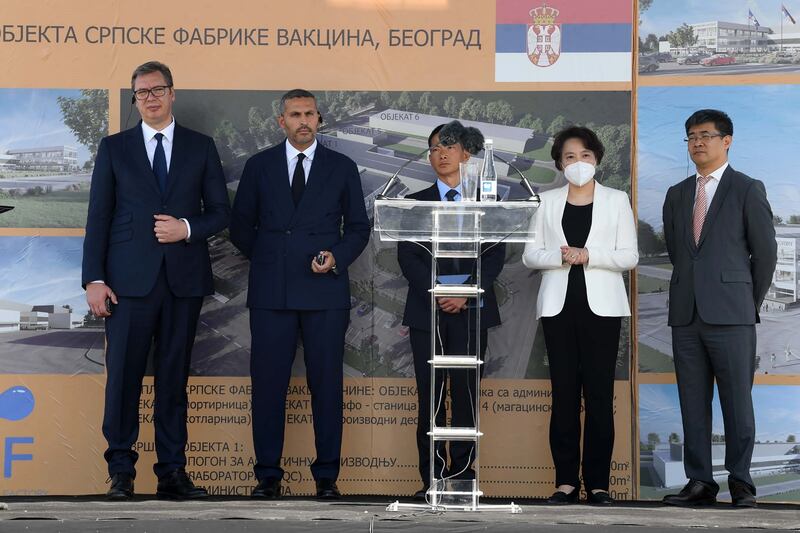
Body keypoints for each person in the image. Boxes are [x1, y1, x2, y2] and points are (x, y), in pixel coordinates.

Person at [82, 61, 230, 500]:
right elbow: (99, 217)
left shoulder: (200, 147)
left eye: (157, 89)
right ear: (135, 99)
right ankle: (121, 472)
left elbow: (221, 212)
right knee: (123, 378)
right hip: (127, 284)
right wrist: (94, 278)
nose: (149, 97)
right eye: (140, 92)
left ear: (172, 93)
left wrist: (185, 228)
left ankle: (172, 472)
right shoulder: (114, 148)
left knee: (172, 380)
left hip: (183, 282)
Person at [230, 89, 370, 500]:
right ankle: (267, 476)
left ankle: (327, 476)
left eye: (310, 114)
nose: (303, 120)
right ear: (282, 121)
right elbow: (241, 228)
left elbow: (359, 229)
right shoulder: (258, 167)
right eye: (295, 114)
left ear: (320, 119)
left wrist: (337, 257)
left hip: (325, 292)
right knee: (268, 387)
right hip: (271, 293)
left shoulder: (342, 167)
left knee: (326, 387)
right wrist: (276, 259)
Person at [661, 109, 776, 508]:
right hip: (686, 316)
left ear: (727, 141)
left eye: (706, 135)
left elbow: (765, 254)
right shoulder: (677, 194)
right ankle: (700, 483)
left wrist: (744, 301)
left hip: (732, 316)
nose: (698, 142)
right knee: (692, 404)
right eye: (691, 135)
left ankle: (741, 483)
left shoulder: (747, 188)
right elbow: (679, 253)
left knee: (737, 404)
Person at [522, 126, 637, 505]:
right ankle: (566, 482)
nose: (578, 163)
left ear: (597, 159)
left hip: (602, 310)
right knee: (565, 396)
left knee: (600, 397)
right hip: (558, 308)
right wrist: (560, 255)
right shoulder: (547, 200)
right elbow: (530, 254)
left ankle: (599, 484)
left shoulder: (617, 200)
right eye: (570, 157)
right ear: (559, 163)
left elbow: (629, 257)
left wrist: (589, 256)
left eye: (585, 156)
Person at [397, 121, 506, 501]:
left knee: (465, 397)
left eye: (448, 145)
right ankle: (431, 482)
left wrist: (464, 292)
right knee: (429, 399)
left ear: (466, 153)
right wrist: (441, 291)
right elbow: (408, 258)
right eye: (433, 148)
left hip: (472, 311)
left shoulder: (486, 200)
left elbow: (494, 257)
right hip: (428, 312)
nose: (439, 153)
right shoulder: (416, 202)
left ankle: (461, 479)